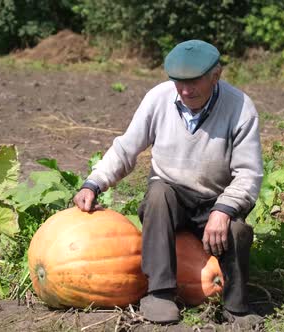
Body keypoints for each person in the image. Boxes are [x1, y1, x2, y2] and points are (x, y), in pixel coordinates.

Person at [73, 40, 263, 328]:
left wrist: (223, 210)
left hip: (215, 201)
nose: (185, 91)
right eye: (179, 83)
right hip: (171, 197)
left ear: (216, 75)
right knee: (158, 193)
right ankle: (160, 293)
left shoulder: (240, 108)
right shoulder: (158, 99)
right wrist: (94, 183)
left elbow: (248, 174)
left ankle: (236, 307)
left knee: (236, 230)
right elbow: (126, 148)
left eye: (194, 82)